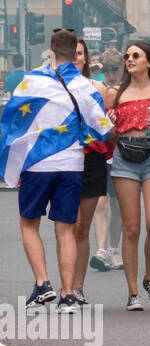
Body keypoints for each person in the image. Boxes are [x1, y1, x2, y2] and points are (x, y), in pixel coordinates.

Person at [1, 29, 112, 313]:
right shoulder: (86, 86)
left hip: (38, 165)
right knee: (65, 231)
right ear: (75, 50)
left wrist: (14, 161)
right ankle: (68, 296)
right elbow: (102, 131)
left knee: (29, 224)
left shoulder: (31, 81)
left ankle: (42, 283)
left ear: (51, 48)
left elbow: (11, 120)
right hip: (72, 166)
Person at [106, 41, 150, 310]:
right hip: (125, 158)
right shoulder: (116, 93)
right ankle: (133, 292)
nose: (129, 59)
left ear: (149, 61)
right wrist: (112, 127)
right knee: (131, 228)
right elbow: (110, 136)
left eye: (136, 55)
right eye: (127, 56)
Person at [70, 38, 112, 306]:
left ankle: (77, 287)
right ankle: (66, 286)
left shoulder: (97, 88)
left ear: (86, 58)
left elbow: (107, 127)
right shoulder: (52, 87)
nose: (75, 57)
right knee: (68, 226)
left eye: (80, 53)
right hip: (62, 160)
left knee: (81, 228)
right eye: (71, 53)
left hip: (92, 160)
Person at [89, 48, 126, 274]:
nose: (111, 75)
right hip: (101, 152)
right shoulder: (97, 90)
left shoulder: (127, 92)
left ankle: (114, 248)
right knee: (100, 203)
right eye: (107, 71)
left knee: (118, 206)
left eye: (115, 70)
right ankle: (101, 250)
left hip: (121, 154)